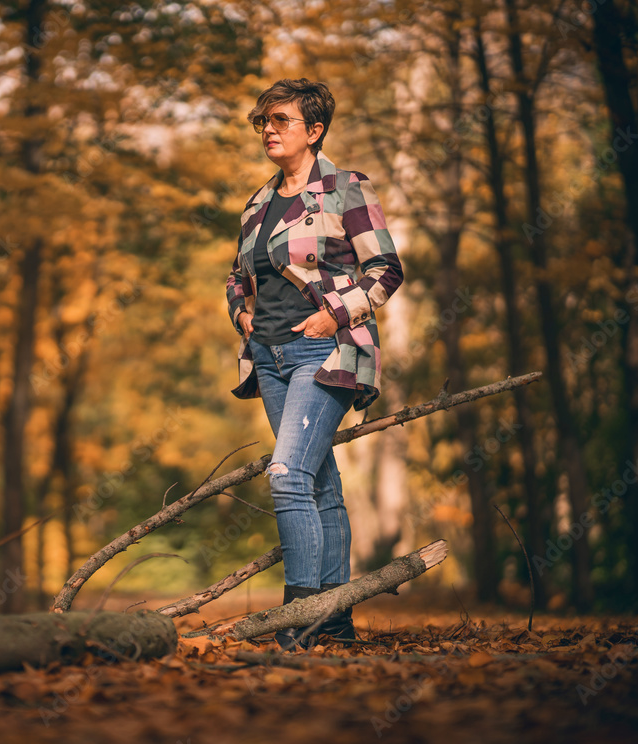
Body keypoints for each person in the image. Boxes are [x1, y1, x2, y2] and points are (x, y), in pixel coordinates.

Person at [225, 78, 404, 650]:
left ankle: (298, 615)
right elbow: (236, 278)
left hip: (325, 351)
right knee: (320, 483)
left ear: (315, 130)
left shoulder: (345, 188)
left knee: (288, 474)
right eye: (263, 122)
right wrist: (242, 318)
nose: (268, 130)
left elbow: (386, 271)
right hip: (268, 358)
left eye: (280, 120)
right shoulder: (256, 203)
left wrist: (336, 314)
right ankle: (337, 619)